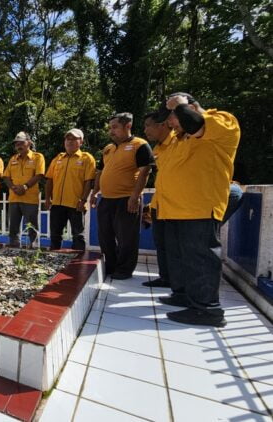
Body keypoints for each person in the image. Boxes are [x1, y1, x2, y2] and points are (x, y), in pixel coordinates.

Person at [153, 93, 240, 327]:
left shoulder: (221, 120)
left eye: (172, 117)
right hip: (173, 210)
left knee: (200, 258)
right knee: (181, 258)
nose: (169, 124)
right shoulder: (178, 139)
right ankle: (184, 295)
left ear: (190, 108)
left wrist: (181, 107)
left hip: (199, 207)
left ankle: (208, 310)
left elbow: (197, 124)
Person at [89, 113, 154, 279]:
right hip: (106, 199)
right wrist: (95, 192)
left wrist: (135, 196)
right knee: (105, 236)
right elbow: (100, 172)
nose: (111, 131)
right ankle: (110, 266)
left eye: (115, 127)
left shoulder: (140, 145)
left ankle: (124, 270)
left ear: (128, 126)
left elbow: (145, 171)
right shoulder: (108, 149)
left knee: (127, 238)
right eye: (110, 128)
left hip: (126, 199)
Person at [44, 129, 96, 250]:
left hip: (76, 204)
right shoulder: (58, 158)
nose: (70, 141)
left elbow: (89, 181)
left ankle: (78, 265)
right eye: (68, 138)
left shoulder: (86, 158)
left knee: (78, 236)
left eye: (74, 139)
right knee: (55, 235)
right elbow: (49, 180)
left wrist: (83, 200)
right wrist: (47, 198)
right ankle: (53, 259)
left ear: (81, 141)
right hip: (57, 203)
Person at [141, 112, 176, 288]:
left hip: (177, 205)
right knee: (161, 244)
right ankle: (166, 278)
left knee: (176, 246)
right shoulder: (157, 149)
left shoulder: (179, 142)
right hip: (159, 203)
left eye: (148, 125)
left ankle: (181, 285)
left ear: (163, 124)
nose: (145, 129)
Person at [3, 131, 45, 247]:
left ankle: (34, 248)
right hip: (14, 198)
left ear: (29, 143)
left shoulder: (38, 157)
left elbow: (39, 175)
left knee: (32, 226)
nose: (19, 146)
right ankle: (13, 248)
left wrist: (25, 187)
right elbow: (6, 176)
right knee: (13, 226)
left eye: (21, 143)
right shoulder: (13, 159)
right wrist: (12, 187)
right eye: (16, 144)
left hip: (30, 199)